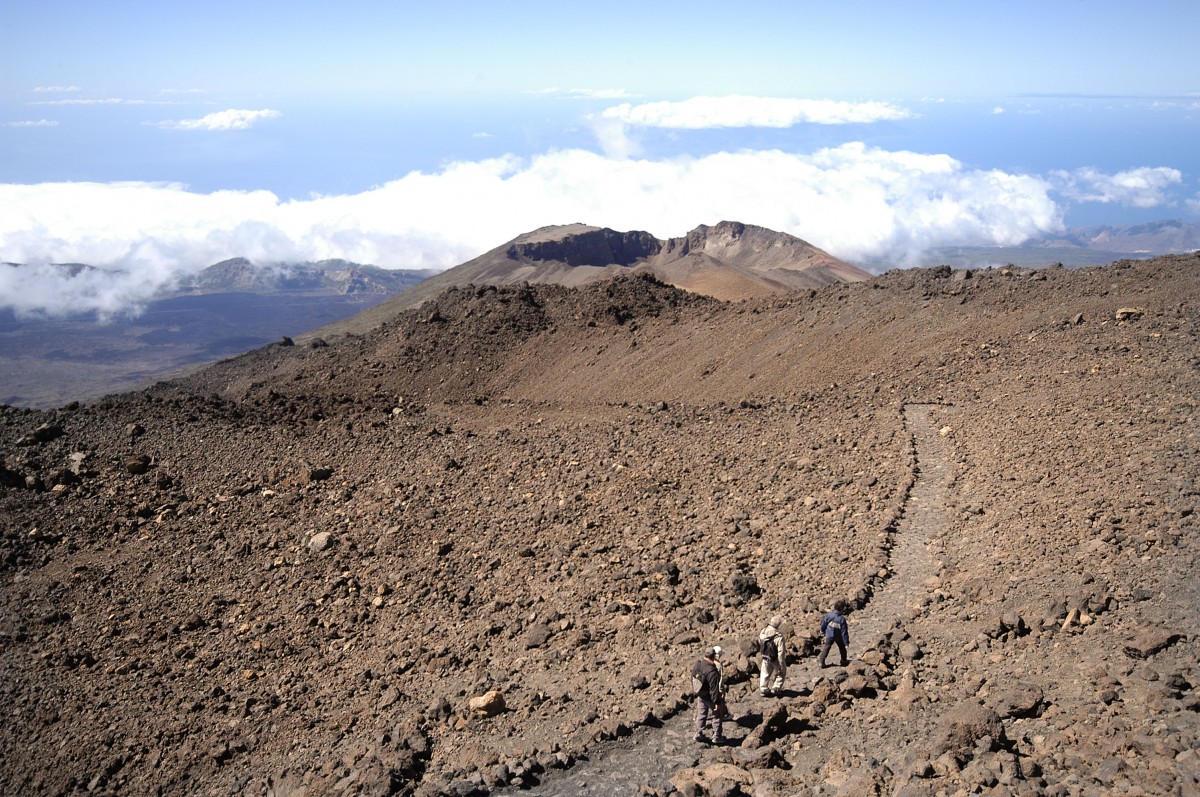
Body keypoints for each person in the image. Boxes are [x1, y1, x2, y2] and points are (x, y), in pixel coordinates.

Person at [690, 646, 727, 743]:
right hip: (710, 697)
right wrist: (717, 703)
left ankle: (698, 734)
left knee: (701, 714)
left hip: (701, 694)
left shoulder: (698, 664)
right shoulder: (712, 671)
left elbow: (693, 677)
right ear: (714, 656)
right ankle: (717, 737)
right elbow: (714, 689)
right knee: (717, 715)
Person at [758, 615, 787, 696]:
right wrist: (781, 663)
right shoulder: (779, 636)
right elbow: (781, 652)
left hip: (765, 655)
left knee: (765, 672)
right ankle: (776, 688)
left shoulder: (763, 631)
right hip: (775, 658)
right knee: (781, 672)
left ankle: (763, 689)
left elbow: (760, 641)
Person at [818, 600, 851, 668]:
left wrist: (822, 630)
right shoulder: (842, 619)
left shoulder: (829, 615)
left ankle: (821, 661)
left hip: (829, 635)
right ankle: (843, 660)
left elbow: (824, 623)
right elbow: (844, 632)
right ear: (842, 609)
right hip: (838, 636)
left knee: (826, 647)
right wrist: (846, 642)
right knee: (842, 648)